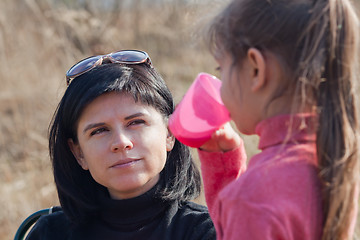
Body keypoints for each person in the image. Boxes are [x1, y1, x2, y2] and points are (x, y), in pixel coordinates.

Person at [195, 0, 360, 239]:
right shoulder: (330, 158)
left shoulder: (252, 198)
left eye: (221, 69)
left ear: (255, 70)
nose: (220, 88)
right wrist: (226, 172)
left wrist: (241, 195)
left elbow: (255, 209)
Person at [26, 50, 216, 240]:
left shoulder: (205, 231)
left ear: (169, 133)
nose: (121, 142)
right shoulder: (50, 233)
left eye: (135, 122)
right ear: (78, 153)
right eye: (99, 131)